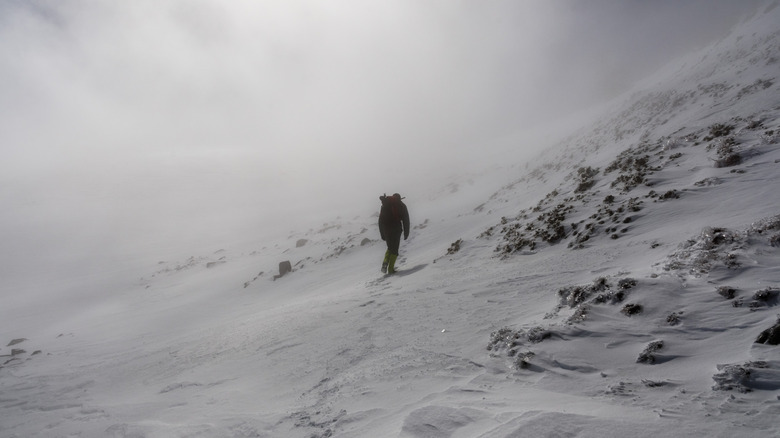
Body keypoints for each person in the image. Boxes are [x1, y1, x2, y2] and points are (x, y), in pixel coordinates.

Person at [378, 193, 410, 274]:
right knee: (395, 249)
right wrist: (406, 232)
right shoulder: (401, 205)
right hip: (396, 229)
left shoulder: (385, 204)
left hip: (386, 229)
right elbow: (406, 220)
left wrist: (382, 233)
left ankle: (385, 262)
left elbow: (380, 221)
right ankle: (391, 269)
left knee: (390, 247)